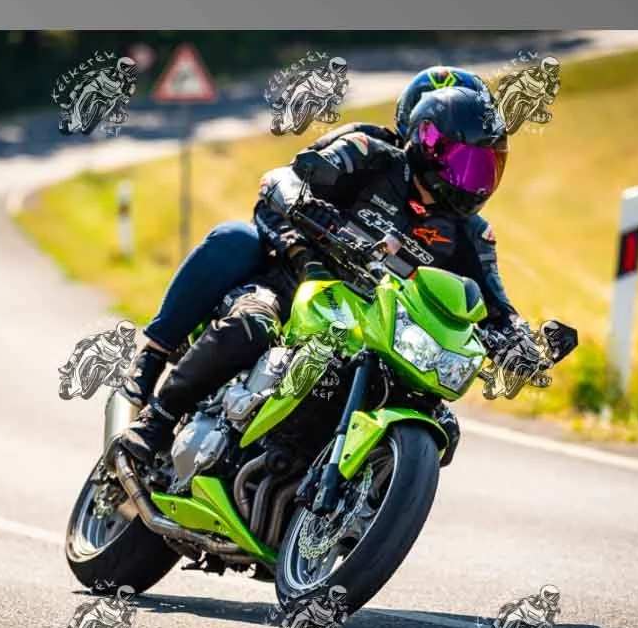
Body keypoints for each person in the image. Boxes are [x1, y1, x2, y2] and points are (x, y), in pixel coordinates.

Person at [113, 84, 543, 469]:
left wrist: (523, 342)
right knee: (252, 322)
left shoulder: (471, 234)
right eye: (465, 164)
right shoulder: (368, 153)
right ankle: (157, 419)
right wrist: (310, 226)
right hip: (298, 284)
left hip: (378, 328)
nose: (474, 183)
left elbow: (495, 304)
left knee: (441, 425)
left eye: (486, 169)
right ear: (429, 144)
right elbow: (286, 181)